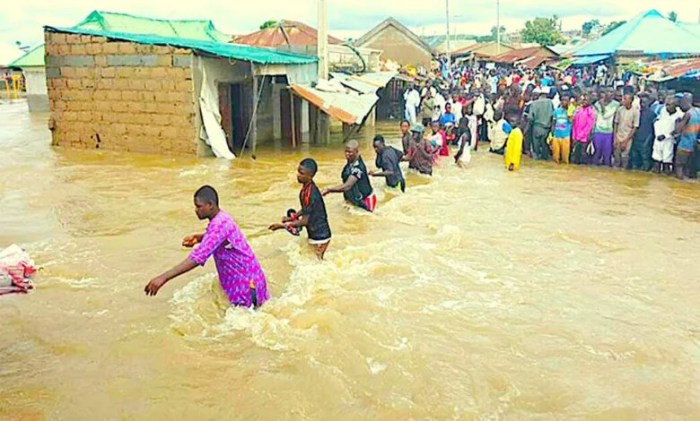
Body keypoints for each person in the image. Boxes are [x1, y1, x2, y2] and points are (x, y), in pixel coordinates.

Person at [145, 186, 269, 308]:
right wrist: (199, 238)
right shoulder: (222, 218)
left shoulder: (218, 225)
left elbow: (197, 258)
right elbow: (219, 238)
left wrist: (163, 278)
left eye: (199, 206)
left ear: (210, 205)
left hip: (246, 287)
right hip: (251, 280)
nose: (195, 210)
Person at [269, 159, 331, 260]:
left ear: (310, 176)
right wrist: (292, 217)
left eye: (301, 173)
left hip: (320, 236)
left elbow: (304, 221)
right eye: (298, 171)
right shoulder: (306, 189)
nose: (298, 175)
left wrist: (282, 226)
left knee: (316, 262)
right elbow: (305, 209)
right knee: (314, 261)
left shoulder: (310, 194)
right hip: (315, 233)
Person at [323, 140, 376, 212]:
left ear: (357, 152)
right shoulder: (350, 164)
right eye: (346, 151)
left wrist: (329, 190)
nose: (347, 154)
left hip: (366, 200)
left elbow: (347, 186)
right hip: (354, 198)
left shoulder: (358, 167)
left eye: (350, 152)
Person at [652, 96, 683, 174]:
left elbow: (677, 131)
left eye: (669, 105)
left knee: (667, 162)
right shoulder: (663, 110)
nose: (667, 107)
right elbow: (657, 121)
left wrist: (666, 136)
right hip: (658, 138)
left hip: (669, 140)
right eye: (666, 104)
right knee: (656, 160)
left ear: (675, 105)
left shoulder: (680, 115)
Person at [673, 94, 700, 180]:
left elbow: (677, 130)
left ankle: (679, 185)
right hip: (694, 144)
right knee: (688, 168)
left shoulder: (687, 114)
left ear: (685, 102)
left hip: (684, 144)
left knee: (679, 165)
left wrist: (677, 122)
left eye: (681, 102)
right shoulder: (698, 111)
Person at [591, 89, 619, 167]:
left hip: (608, 132)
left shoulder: (616, 105)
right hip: (597, 131)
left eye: (612, 92)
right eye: (608, 92)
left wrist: (602, 105)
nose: (610, 94)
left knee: (607, 155)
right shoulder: (597, 104)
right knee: (596, 153)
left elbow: (606, 115)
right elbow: (595, 117)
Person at [629, 94, 656, 171]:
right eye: (641, 103)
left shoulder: (652, 114)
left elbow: (653, 130)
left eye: (644, 102)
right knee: (634, 158)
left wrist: (648, 141)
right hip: (636, 139)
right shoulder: (637, 112)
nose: (642, 104)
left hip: (645, 141)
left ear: (648, 103)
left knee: (645, 159)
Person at [612, 93, 640, 169]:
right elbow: (616, 124)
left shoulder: (636, 111)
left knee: (624, 157)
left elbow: (635, 127)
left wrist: (626, 141)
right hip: (618, 136)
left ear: (630, 100)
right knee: (616, 157)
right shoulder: (620, 109)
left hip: (628, 137)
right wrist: (615, 138)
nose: (622, 100)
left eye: (625, 99)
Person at [528, 87, 554, 160]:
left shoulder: (534, 103)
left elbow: (530, 118)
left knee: (536, 148)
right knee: (545, 146)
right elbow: (552, 116)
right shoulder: (550, 103)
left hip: (536, 127)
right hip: (546, 128)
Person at [571, 93, 596, 165]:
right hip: (576, 137)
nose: (584, 102)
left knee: (583, 155)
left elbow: (589, 126)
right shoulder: (578, 109)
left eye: (586, 100)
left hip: (584, 138)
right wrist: (574, 136)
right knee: (575, 156)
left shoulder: (590, 111)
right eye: (584, 100)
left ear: (590, 101)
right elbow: (574, 123)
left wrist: (580, 136)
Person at [550, 95, 573, 164]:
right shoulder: (556, 111)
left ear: (568, 102)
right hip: (556, 136)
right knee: (555, 158)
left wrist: (569, 111)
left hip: (566, 136)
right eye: (562, 100)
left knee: (565, 158)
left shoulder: (571, 111)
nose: (563, 102)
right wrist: (551, 134)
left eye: (566, 100)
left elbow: (570, 121)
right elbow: (553, 123)